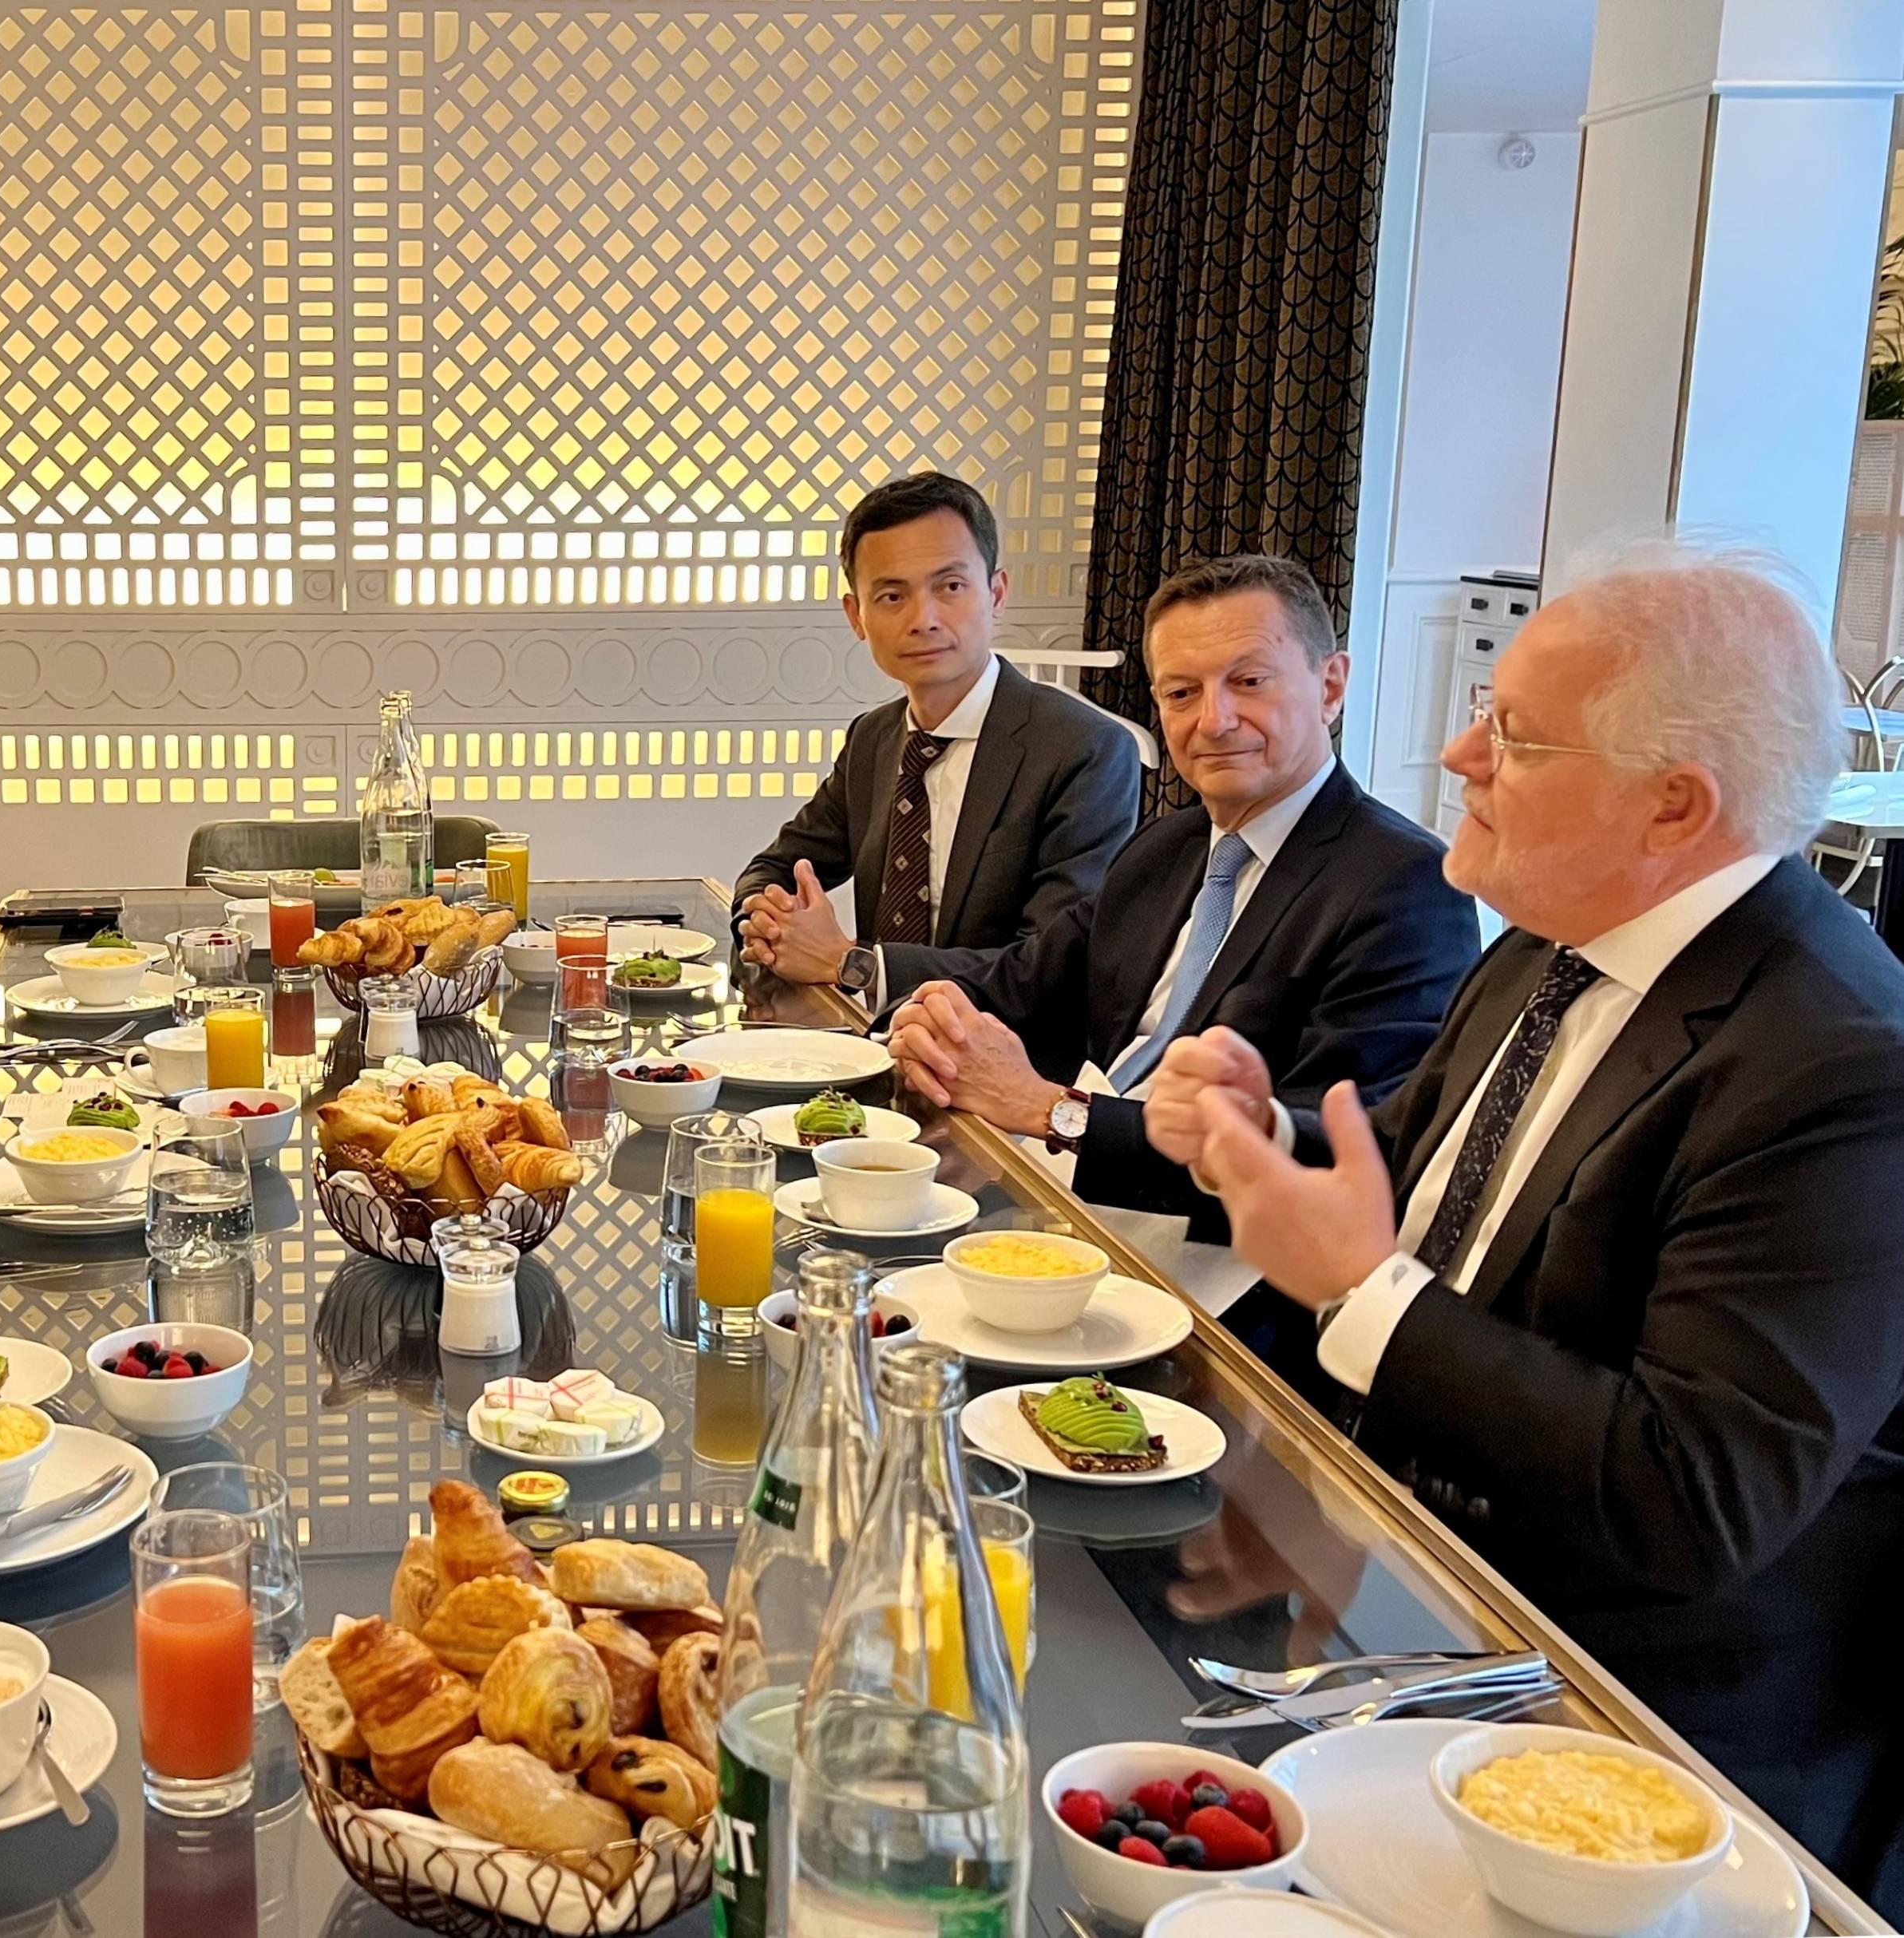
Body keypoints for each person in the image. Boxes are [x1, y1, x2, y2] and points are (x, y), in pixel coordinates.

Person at [1150, 541, 1904, 1908]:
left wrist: (1361, 1293)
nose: (1454, 750)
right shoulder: (1552, 943)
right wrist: (1263, 1137)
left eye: (1510, 731)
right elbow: (1438, 1186)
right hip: (1398, 1570)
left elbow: (1693, 1496)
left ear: (1673, 806)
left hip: (1626, 1748)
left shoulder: (1843, 1061)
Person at [882, 556, 1475, 1233]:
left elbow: (1340, 1155)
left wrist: (1054, 1112)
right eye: (1181, 694)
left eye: (1247, 682)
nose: (1213, 721)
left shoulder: (1405, 887)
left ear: (1330, 685)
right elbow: (1020, 981)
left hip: (1221, 1266)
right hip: (1062, 1202)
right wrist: (927, 1019)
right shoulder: (1166, 847)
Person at [737, 471, 1139, 997]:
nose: (922, 619)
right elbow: (774, 868)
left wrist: (852, 964)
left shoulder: (1084, 750)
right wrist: (768, 923)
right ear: (856, 616)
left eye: (949, 586)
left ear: (995, 594)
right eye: (890, 596)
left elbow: (1048, 965)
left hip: (1008, 1059)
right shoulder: (873, 737)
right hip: (874, 1050)